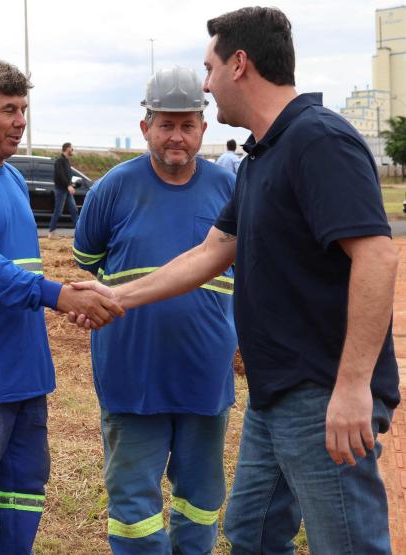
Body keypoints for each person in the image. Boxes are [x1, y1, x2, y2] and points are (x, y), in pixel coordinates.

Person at [72, 7, 399, 554]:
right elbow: (212, 251)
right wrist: (115, 296)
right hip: (274, 395)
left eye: (209, 67)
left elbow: (378, 257)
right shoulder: (262, 157)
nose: (206, 83)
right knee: (250, 530)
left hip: (322, 391)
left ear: (239, 64)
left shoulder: (317, 141)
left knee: (346, 542)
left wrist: (351, 387)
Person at [0, 58, 123, 555]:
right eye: (9, 110)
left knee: (24, 492)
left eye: (23, 109)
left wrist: (67, 291)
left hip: (26, 373)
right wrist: (58, 295)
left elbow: (24, 273)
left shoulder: (10, 178)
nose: (20, 121)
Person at [73, 66, 236, 554]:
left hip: (204, 373)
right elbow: (87, 262)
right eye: (166, 124)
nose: (177, 137)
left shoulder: (228, 190)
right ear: (145, 127)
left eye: (187, 125)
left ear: (204, 129)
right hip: (131, 371)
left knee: (202, 497)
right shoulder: (113, 189)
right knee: (133, 500)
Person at [47, 142, 79, 238]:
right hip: (61, 189)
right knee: (58, 211)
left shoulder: (66, 160)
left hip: (66, 189)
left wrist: (71, 184)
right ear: (67, 149)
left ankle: (79, 231)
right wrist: (68, 185)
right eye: (71, 149)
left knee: (74, 210)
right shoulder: (60, 161)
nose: (72, 150)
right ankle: (51, 232)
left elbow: (66, 175)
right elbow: (60, 175)